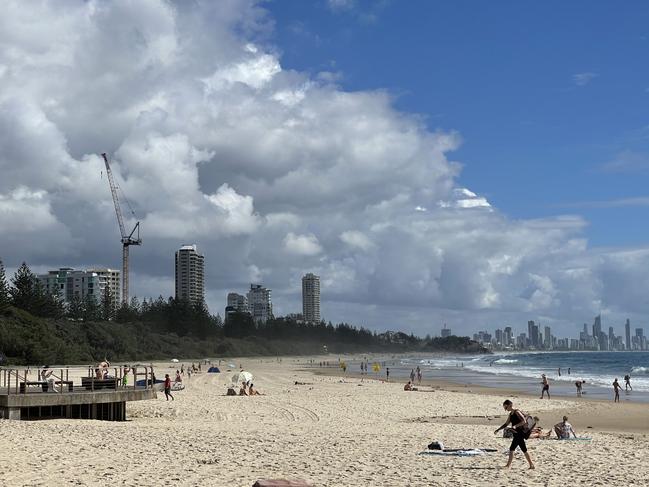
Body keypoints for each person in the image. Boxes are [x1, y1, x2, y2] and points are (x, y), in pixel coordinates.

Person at [494, 400, 535, 469]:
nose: (505, 409)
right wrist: (498, 429)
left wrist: (515, 426)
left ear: (510, 405)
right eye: (504, 407)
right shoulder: (511, 414)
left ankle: (508, 465)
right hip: (516, 433)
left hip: (520, 433)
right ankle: (531, 464)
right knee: (523, 449)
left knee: (512, 448)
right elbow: (506, 424)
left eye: (506, 407)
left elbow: (524, 421)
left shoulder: (517, 412)